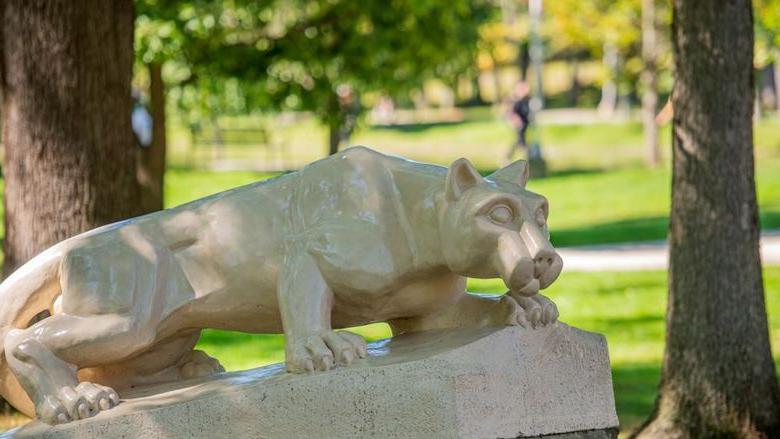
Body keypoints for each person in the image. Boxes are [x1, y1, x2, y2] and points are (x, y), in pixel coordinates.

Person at [506, 81, 531, 160]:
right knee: (520, 141)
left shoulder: (525, 100)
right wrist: (517, 122)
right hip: (519, 125)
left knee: (519, 141)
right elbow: (512, 113)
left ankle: (509, 156)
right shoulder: (516, 101)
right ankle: (527, 156)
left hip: (524, 124)